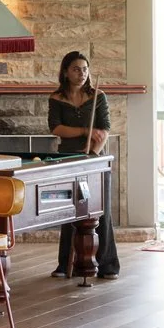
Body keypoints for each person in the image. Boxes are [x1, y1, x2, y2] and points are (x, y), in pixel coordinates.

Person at [47, 50, 119, 280]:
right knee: (69, 213)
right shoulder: (57, 98)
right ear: (66, 72)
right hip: (67, 159)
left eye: (85, 69)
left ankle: (107, 265)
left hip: (94, 159)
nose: (82, 74)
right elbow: (56, 128)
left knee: (100, 211)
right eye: (77, 69)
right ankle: (65, 265)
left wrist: (92, 154)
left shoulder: (98, 96)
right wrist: (85, 131)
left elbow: (104, 129)